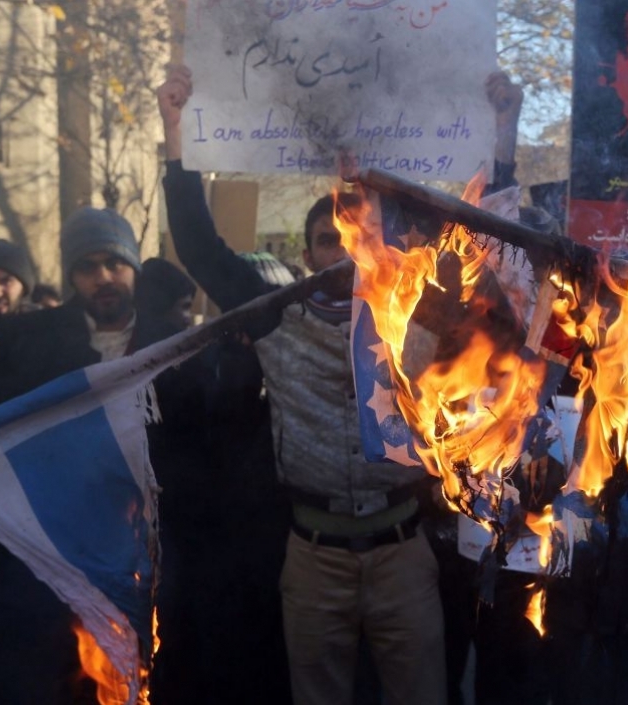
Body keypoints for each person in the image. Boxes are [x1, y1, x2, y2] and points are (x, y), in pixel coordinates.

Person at [157, 65, 445, 705]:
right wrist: (176, 134)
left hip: (403, 552)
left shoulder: (416, 314)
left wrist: (502, 135)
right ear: (309, 254)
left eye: (357, 239)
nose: (341, 253)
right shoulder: (276, 313)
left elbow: (494, 263)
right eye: (325, 241)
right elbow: (202, 252)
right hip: (313, 557)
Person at [0, 206, 186, 705]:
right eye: (88, 267)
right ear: (72, 275)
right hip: (60, 543)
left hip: (147, 543)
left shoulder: (172, 340)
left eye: (114, 264)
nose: (104, 278)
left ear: (134, 268)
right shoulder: (33, 341)